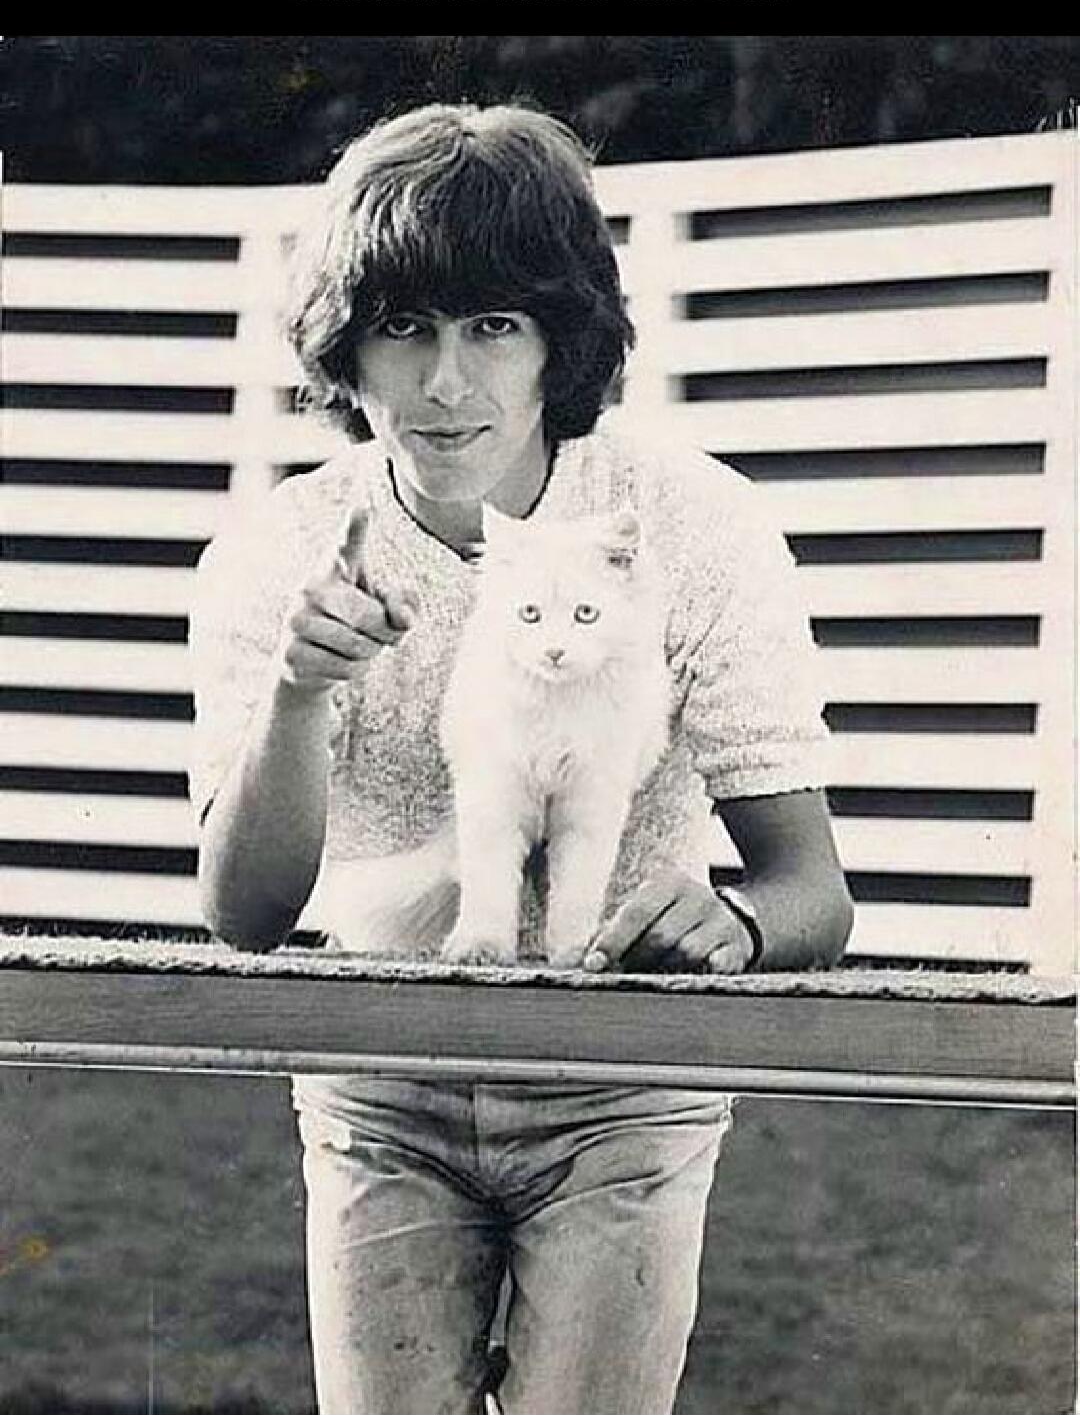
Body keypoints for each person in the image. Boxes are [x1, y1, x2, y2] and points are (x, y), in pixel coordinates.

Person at [190, 102, 854, 1415]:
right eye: (404, 327)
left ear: (562, 339)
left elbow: (813, 892)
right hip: (381, 1088)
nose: (446, 384)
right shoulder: (280, 551)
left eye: (494, 325)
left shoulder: (693, 525)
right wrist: (299, 692)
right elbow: (243, 915)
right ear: (345, 347)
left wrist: (731, 923)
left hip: (626, 1091)